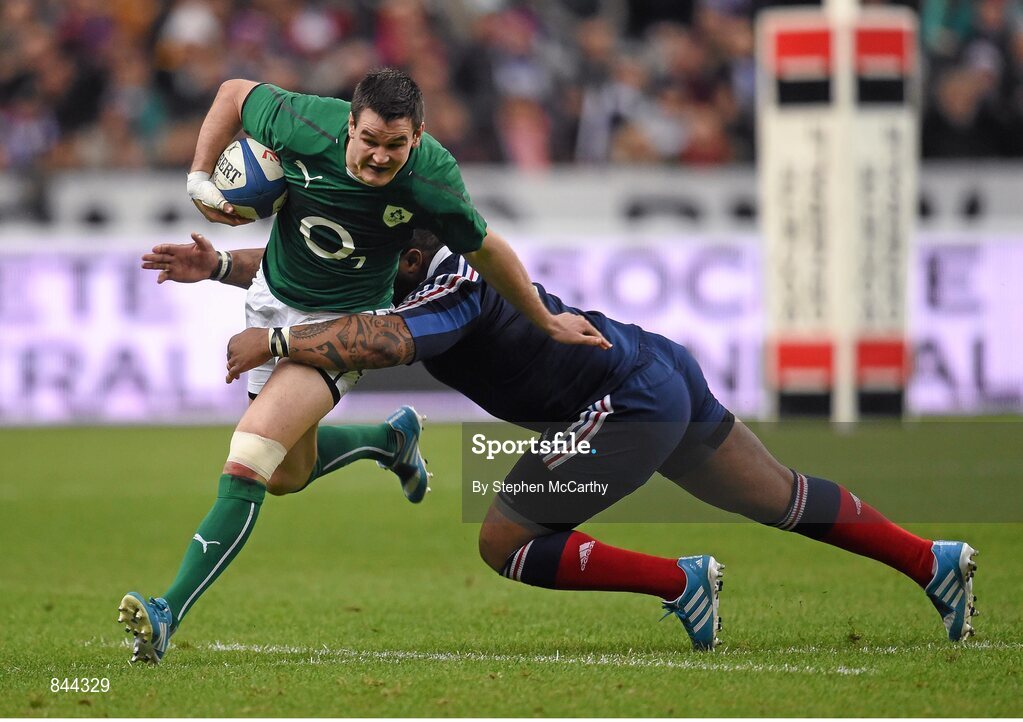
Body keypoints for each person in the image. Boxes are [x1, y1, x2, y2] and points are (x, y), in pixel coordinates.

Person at [144, 229, 980, 655]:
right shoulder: (420, 260)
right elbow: (308, 273)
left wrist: (280, 345)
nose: (354, 258)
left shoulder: (452, 287)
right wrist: (221, 266)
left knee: (504, 539)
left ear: (406, 251)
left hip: (623, 400)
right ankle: (931, 562)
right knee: (782, 497)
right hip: (653, 363)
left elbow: (382, 341)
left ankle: (680, 581)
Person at [118, 68, 610, 665]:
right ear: (348, 124)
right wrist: (202, 190)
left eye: (396, 145)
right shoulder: (302, 122)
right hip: (269, 298)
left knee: (248, 459)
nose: (380, 157)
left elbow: (487, 248)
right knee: (285, 474)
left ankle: (166, 611)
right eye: (370, 139)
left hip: (339, 331)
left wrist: (545, 319)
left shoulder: (432, 178)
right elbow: (231, 93)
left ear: (418, 136)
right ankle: (388, 439)